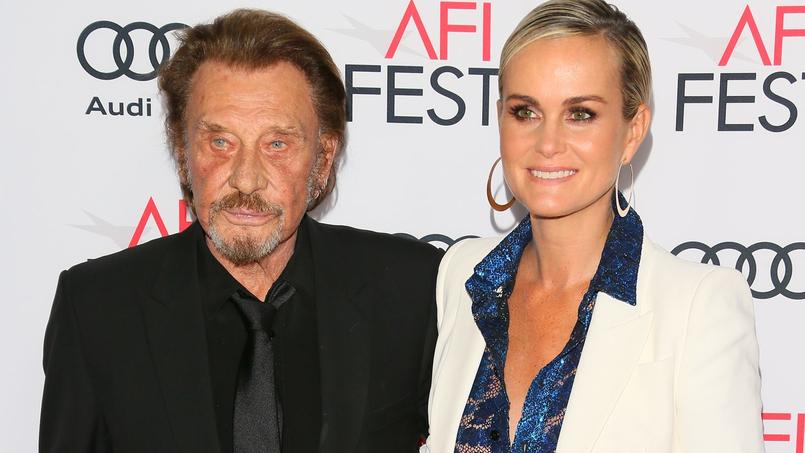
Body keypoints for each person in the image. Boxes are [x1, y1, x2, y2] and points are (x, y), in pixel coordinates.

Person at [40, 9, 442, 453]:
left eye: (277, 144)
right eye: (220, 142)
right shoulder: (98, 307)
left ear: (323, 158)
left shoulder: (415, 290)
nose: (246, 180)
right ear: (182, 153)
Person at [422, 1, 764, 452]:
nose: (547, 143)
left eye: (580, 113)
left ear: (633, 130)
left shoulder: (698, 307)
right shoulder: (463, 275)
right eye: (525, 111)